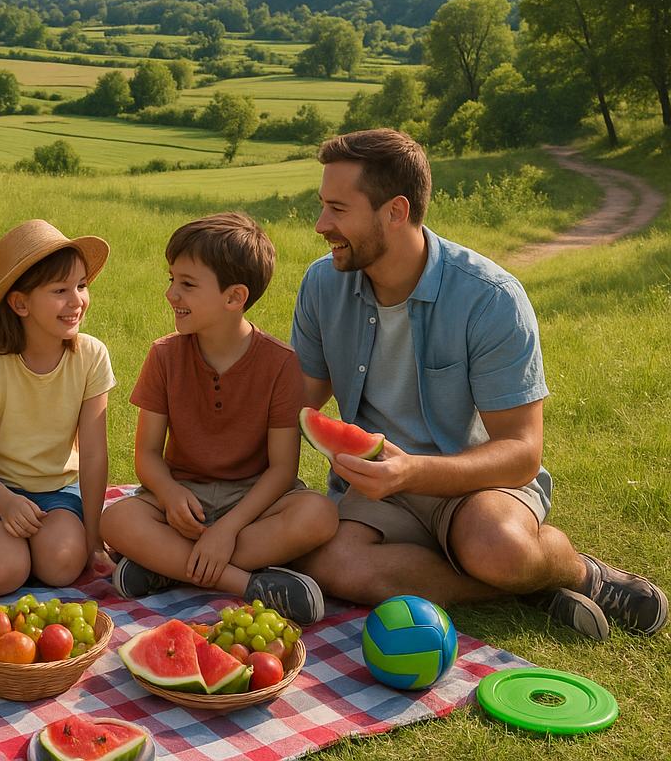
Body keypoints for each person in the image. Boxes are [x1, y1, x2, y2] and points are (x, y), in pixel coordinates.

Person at [290, 128, 668, 640]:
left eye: (337, 209)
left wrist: (413, 471)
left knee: (501, 549)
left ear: (395, 212)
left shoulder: (490, 299)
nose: (321, 225)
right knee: (337, 567)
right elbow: (299, 406)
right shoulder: (321, 284)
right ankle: (530, 588)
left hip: (474, 484)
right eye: (322, 206)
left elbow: (521, 452)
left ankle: (581, 574)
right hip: (378, 491)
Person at [101, 212, 339, 626]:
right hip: (182, 500)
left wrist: (227, 529)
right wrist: (171, 495)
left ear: (234, 298)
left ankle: (165, 567)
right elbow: (147, 455)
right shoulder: (164, 355)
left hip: (252, 501)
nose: (171, 293)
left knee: (320, 515)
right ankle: (247, 585)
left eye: (187, 284)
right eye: (171, 278)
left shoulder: (281, 364)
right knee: (116, 519)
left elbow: (283, 470)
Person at [0, 219, 116, 596]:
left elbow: (93, 455)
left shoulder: (91, 356)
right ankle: (9, 549)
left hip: (57, 494)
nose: (76, 300)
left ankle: (41, 547)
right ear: (20, 302)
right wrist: (6, 503)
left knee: (62, 564)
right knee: (1, 572)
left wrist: (94, 542)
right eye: (60, 290)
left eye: (81, 285)